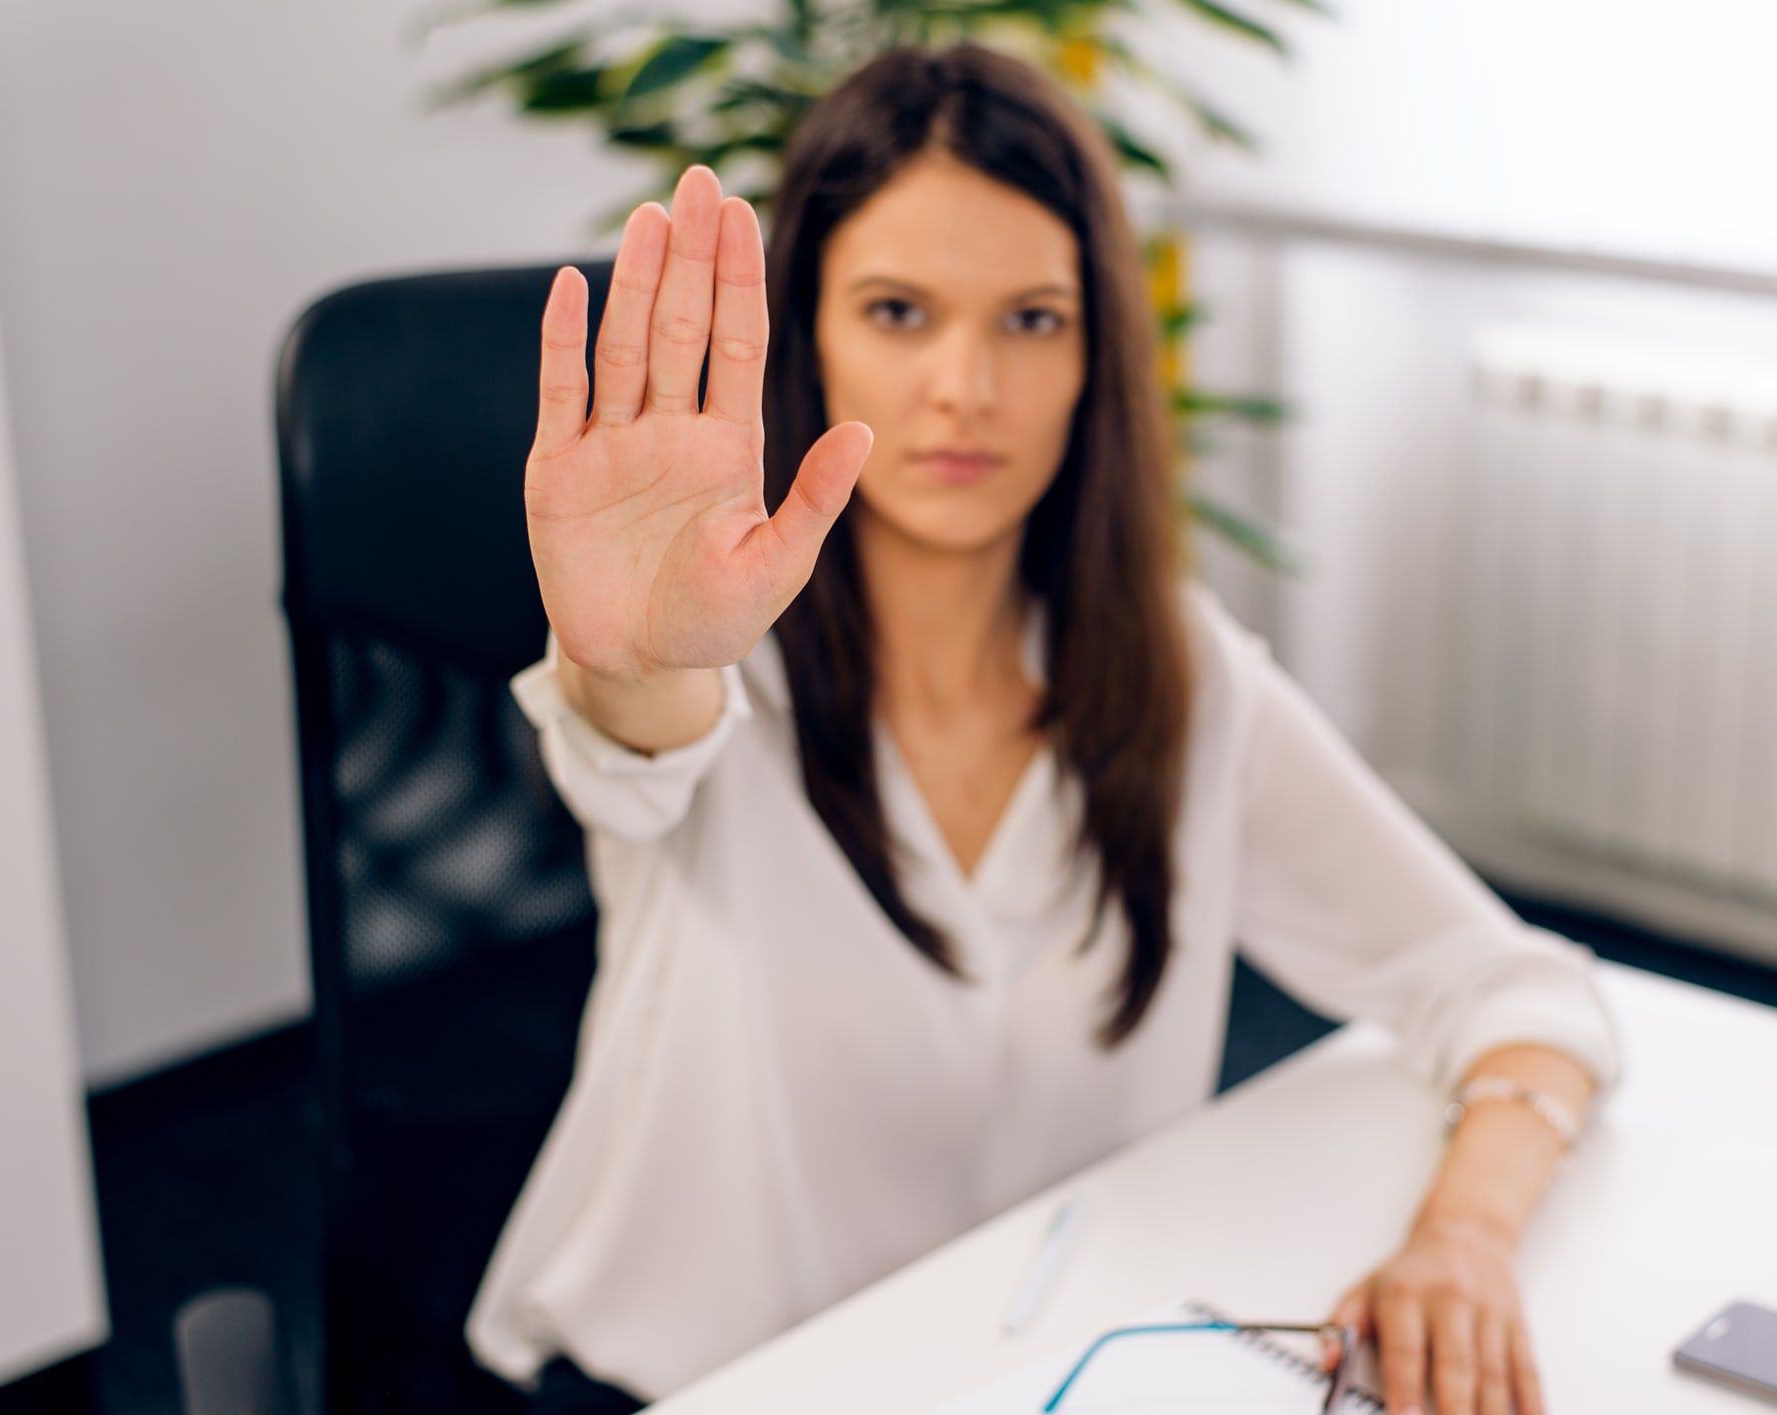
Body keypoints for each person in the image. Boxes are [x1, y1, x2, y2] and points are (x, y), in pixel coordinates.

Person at [465, 41, 1621, 1415]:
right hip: (696, 1386)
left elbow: (1519, 993)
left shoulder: (1174, 674)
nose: (967, 385)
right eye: (898, 311)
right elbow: (632, 743)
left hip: (1034, 1374)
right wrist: (630, 660)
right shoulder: (720, 668)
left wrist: (1465, 1238)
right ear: (808, 335)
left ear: (1097, 360)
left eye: (1030, 320)